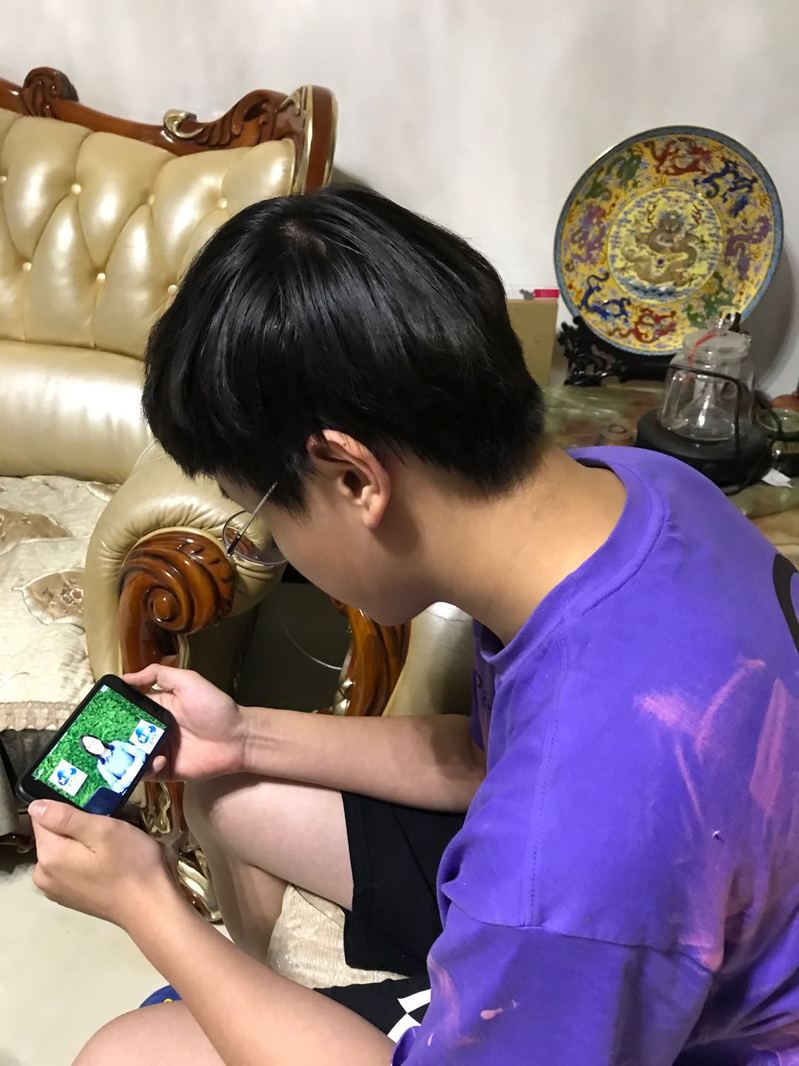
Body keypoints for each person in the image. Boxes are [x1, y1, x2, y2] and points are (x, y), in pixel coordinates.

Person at [27, 188, 799, 1066]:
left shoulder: (560, 858)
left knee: (123, 1055)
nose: (271, 542)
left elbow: (565, 834)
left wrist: (149, 906)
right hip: (661, 889)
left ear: (353, 477)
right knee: (232, 789)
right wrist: (242, 735)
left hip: (688, 1011)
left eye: (261, 513)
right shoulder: (648, 490)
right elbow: (486, 757)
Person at [80, 734, 146, 795]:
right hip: (135, 785)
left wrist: (135, 769)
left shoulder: (116, 744)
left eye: (92, 742)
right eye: (90, 746)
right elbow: (115, 787)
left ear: (98, 740)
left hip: (144, 770)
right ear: (89, 752)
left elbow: (139, 752)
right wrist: (128, 777)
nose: (94, 746)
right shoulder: (101, 766)